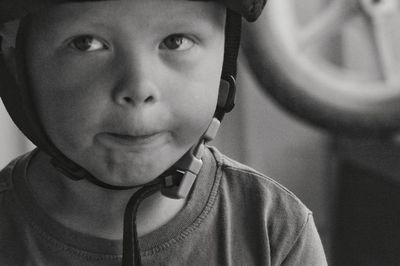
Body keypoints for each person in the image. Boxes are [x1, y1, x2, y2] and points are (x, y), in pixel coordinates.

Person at [0, 0, 327, 265]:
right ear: (15, 62)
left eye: (176, 41)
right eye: (86, 44)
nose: (139, 87)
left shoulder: (274, 231)